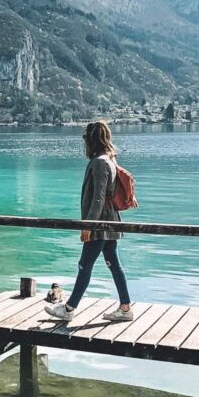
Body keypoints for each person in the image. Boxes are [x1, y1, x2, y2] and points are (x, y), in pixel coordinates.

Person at [44, 120, 134, 322]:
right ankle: (125, 308)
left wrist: (88, 226)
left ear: (92, 140)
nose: (84, 144)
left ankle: (68, 309)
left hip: (100, 223)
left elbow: (99, 197)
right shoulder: (108, 159)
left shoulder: (100, 162)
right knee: (114, 264)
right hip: (108, 222)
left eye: (86, 139)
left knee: (85, 265)